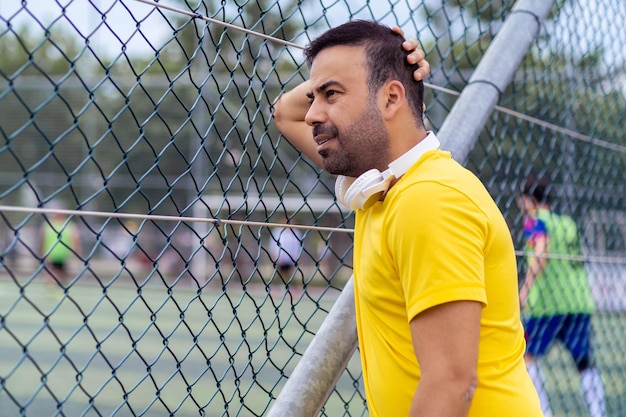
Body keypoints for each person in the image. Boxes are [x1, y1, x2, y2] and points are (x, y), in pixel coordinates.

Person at [273, 20, 542, 417]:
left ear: (391, 99)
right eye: (314, 96)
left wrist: (385, 61)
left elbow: (450, 382)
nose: (312, 113)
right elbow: (285, 114)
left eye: (331, 94)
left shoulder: (429, 199)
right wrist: (388, 56)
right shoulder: (381, 187)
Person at [518, 175, 606, 417]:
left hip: (548, 305)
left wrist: (524, 290)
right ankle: (599, 412)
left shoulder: (535, 222)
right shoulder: (568, 222)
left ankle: (543, 412)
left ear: (529, 200)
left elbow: (541, 252)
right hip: (578, 302)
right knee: (585, 362)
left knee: (526, 356)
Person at [40, 202, 81, 287]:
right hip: (51, 253)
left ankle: (60, 289)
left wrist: (76, 251)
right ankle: (51, 289)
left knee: (62, 273)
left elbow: (75, 239)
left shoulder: (69, 225)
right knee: (52, 272)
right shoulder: (48, 224)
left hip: (63, 253)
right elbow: (43, 239)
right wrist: (43, 251)